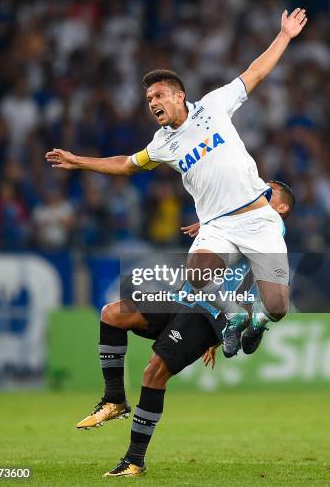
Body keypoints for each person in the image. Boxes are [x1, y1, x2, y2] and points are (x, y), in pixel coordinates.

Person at [45, 7, 307, 361]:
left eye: (158, 96)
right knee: (198, 273)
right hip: (218, 226)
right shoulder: (161, 144)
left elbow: (255, 73)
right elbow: (126, 164)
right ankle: (235, 315)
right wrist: (79, 161)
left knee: (277, 306)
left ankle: (259, 320)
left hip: (258, 218)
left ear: (178, 95)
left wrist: (284, 36)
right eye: (149, 99)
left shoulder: (215, 105)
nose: (153, 102)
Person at [75, 180, 295, 477]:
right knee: (113, 314)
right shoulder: (237, 220)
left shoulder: (270, 229)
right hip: (182, 297)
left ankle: (134, 460)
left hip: (209, 311)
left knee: (154, 373)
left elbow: (254, 287)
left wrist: (224, 328)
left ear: (281, 208)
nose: (258, 193)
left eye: (268, 193)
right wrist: (210, 224)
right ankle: (115, 399)